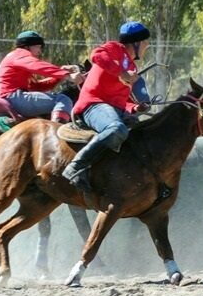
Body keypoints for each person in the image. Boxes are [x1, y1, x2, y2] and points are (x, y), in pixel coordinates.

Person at [62, 22, 151, 192]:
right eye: (145, 42)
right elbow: (96, 55)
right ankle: (75, 167)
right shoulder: (114, 48)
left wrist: (135, 108)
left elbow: (121, 101)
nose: (147, 46)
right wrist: (121, 73)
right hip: (92, 105)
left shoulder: (132, 67)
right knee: (117, 128)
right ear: (136, 42)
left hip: (112, 109)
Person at [0, 30, 85, 123]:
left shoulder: (15, 60)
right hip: (13, 98)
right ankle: (56, 131)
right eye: (38, 47)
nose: (40, 51)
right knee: (62, 100)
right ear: (27, 46)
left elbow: (36, 87)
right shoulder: (20, 54)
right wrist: (67, 76)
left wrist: (60, 74)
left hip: (10, 99)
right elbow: (37, 65)